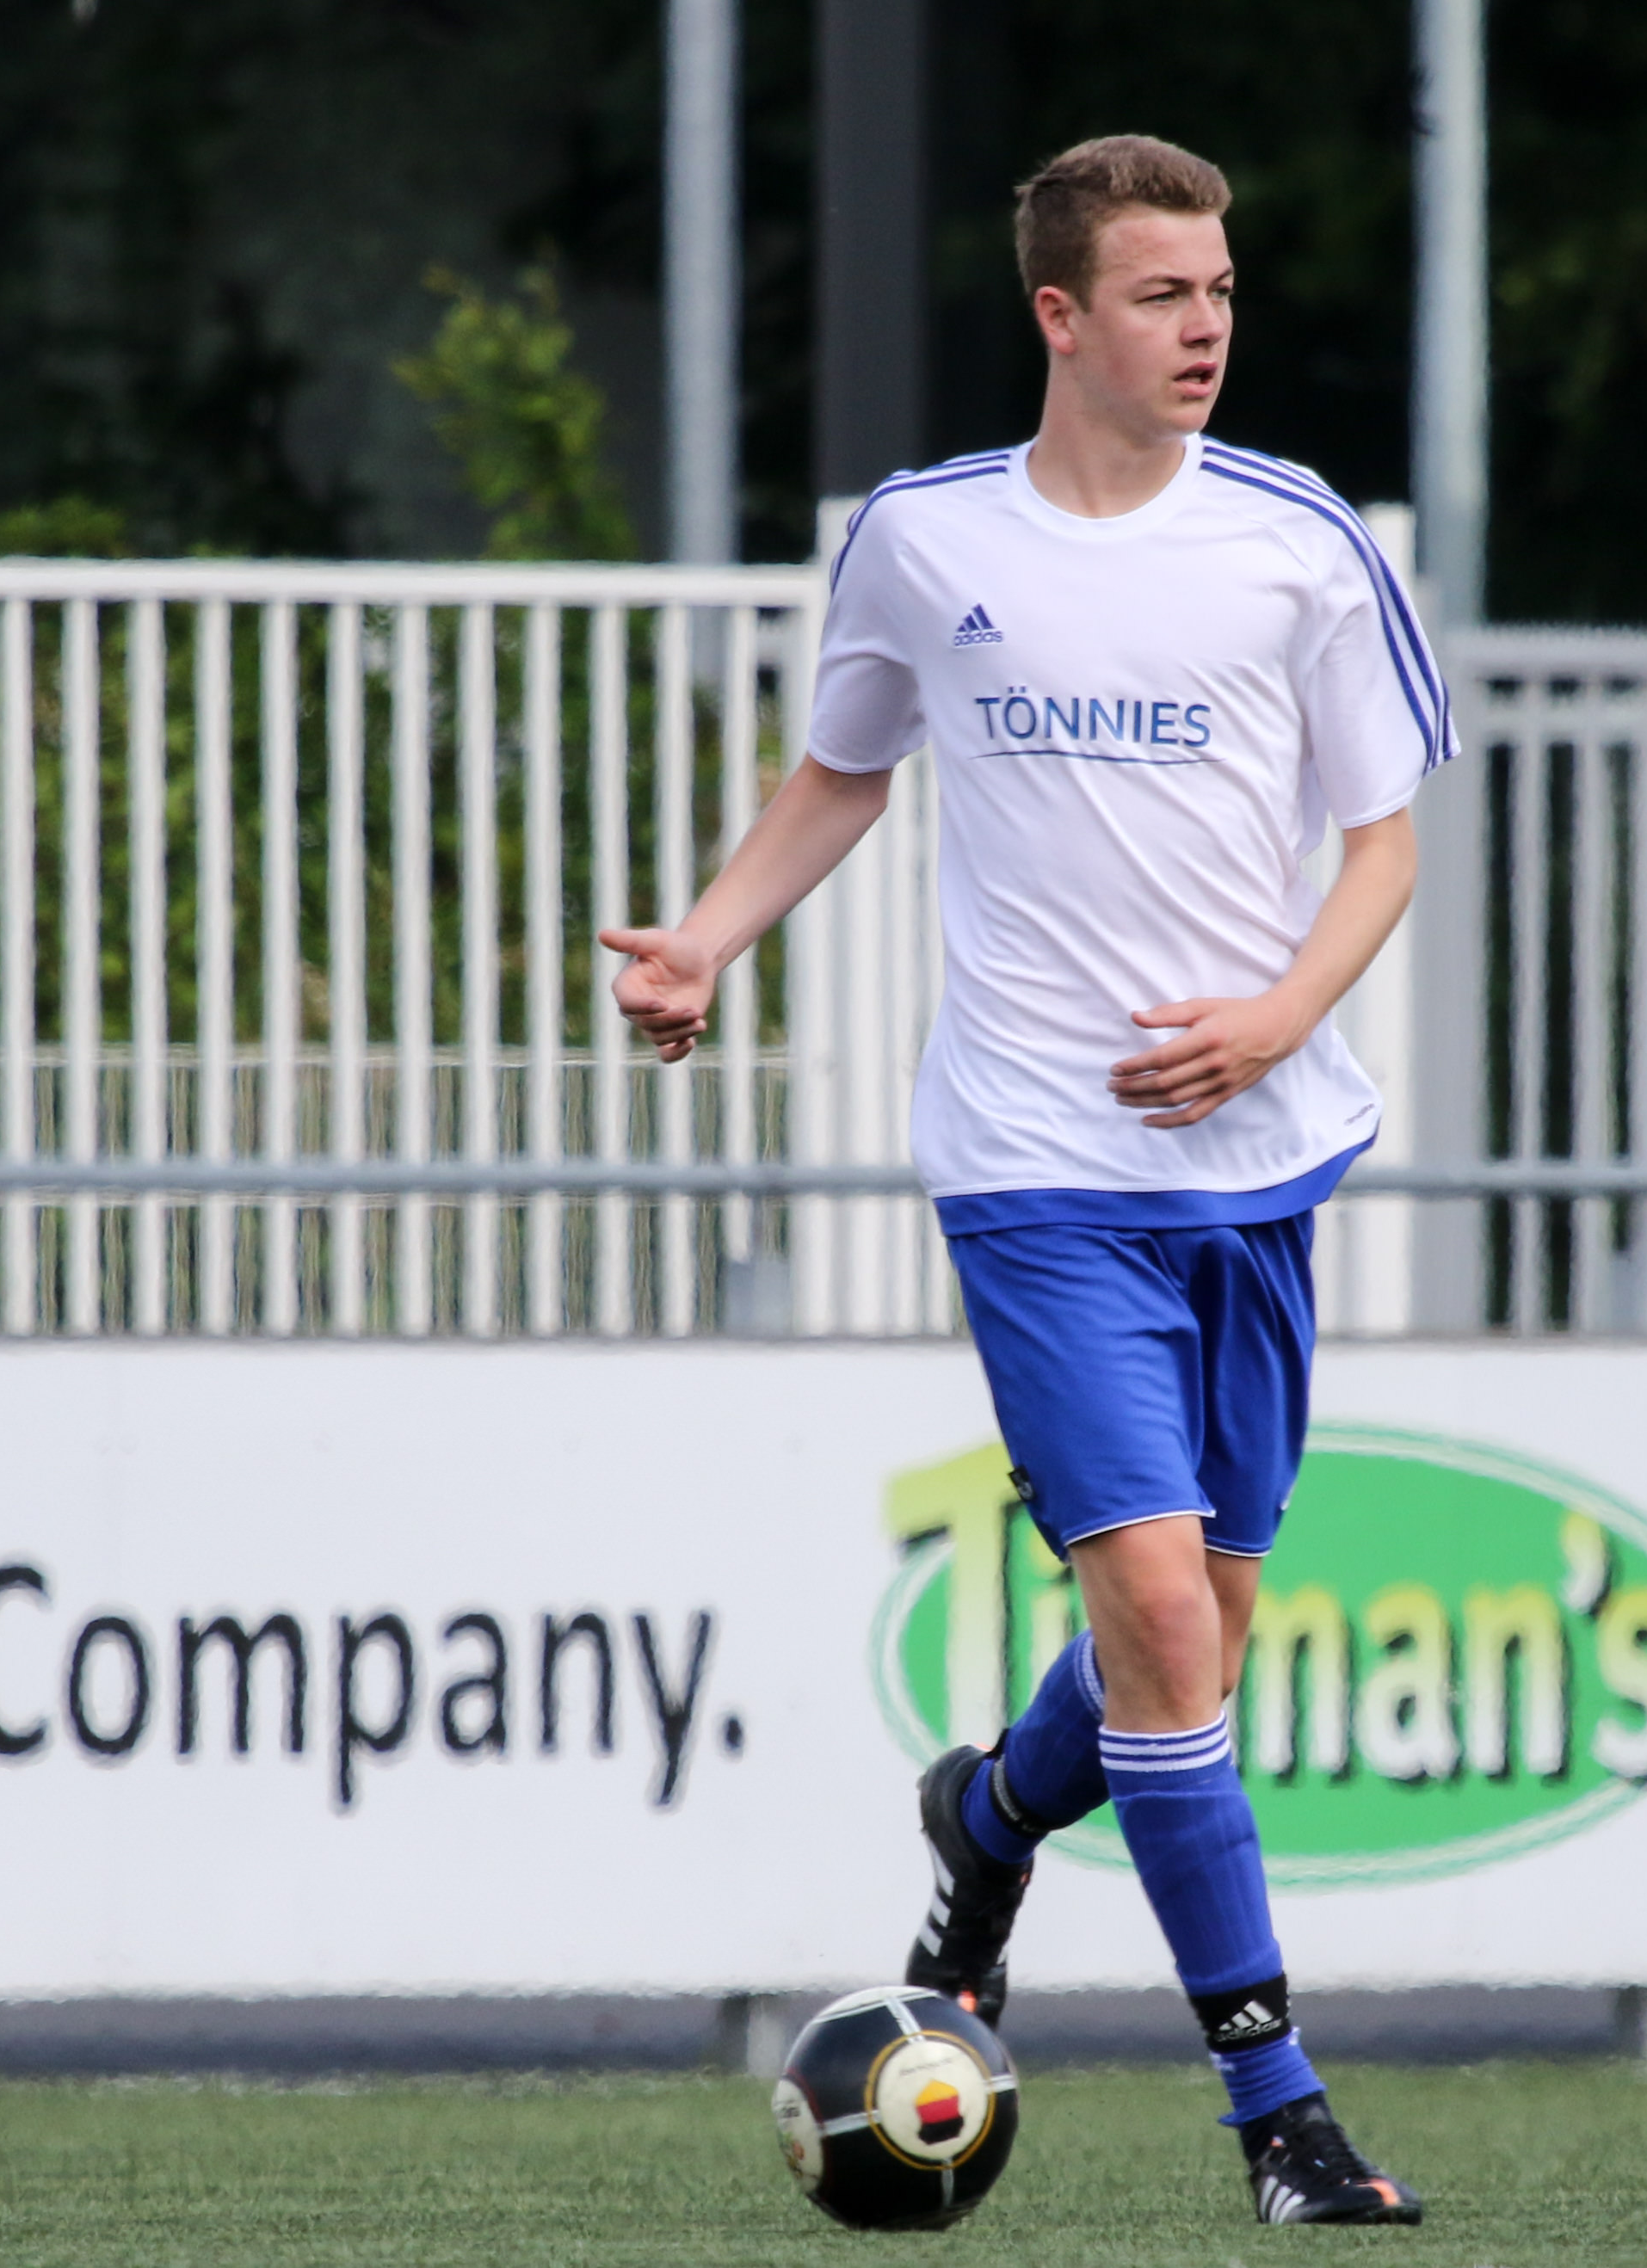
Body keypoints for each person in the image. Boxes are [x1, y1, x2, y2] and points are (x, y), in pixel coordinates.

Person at [601, 133, 1440, 2228]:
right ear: (1060, 314)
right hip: (1035, 1169)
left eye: (1220, 290)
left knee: (1194, 1645)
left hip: (1258, 1169)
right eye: (1163, 294)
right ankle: (1281, 2113)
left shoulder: (1301, 543)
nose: (1207, 326)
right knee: (1153, 1612)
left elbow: (1386, 846)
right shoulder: (925, 538)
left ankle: (986, 1817)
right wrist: (708, 940)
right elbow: (845, 769)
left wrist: (1277, 1017)